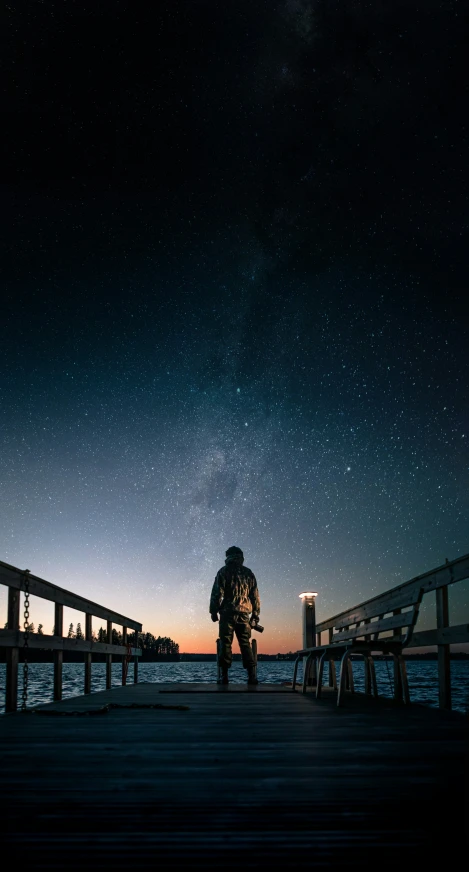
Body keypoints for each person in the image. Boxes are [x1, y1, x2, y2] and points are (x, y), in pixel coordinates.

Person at [209, 545, 261, 685]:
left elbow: (216, 593)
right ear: (241, 557)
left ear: (227, 557)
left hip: (227, 613)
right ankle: (251, 676)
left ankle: (224, 676)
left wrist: (213, 611)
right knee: (245, 644)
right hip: (244, 614)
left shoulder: (223, 571)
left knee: (225, 643)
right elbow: (255, 596)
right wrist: (255, 615)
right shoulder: (248, 573)